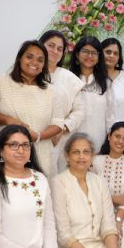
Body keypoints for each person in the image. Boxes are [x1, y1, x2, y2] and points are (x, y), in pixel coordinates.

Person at [0, 40, 63, 176]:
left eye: (40, 60)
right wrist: (8, 120)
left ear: (44, 65)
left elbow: (58, 123)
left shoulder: (52, 91)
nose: (34, 62)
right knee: (1, 186)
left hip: (40, 151)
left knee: (38, 187)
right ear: (20, 58)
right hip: (6, 150)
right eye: (29, 57)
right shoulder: (0, 81)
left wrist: (38, 136)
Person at [40, 30, 86, 172]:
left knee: (53, 176)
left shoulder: (70, 79)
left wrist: (62, 128)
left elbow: (79, 111)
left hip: (58, 140)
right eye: (51, 46)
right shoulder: (29, 73)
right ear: (41, 45)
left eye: (60, 49)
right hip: (32, 135)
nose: (55, 51)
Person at [68, 36, 115, 150]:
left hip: (98, 140)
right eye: (85, 51)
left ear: (99, 57)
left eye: (94, 53)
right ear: (77, 54)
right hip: (71, 140)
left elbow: (110, 115)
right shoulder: (68, 79)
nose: (89, 56)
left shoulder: (106, 83)